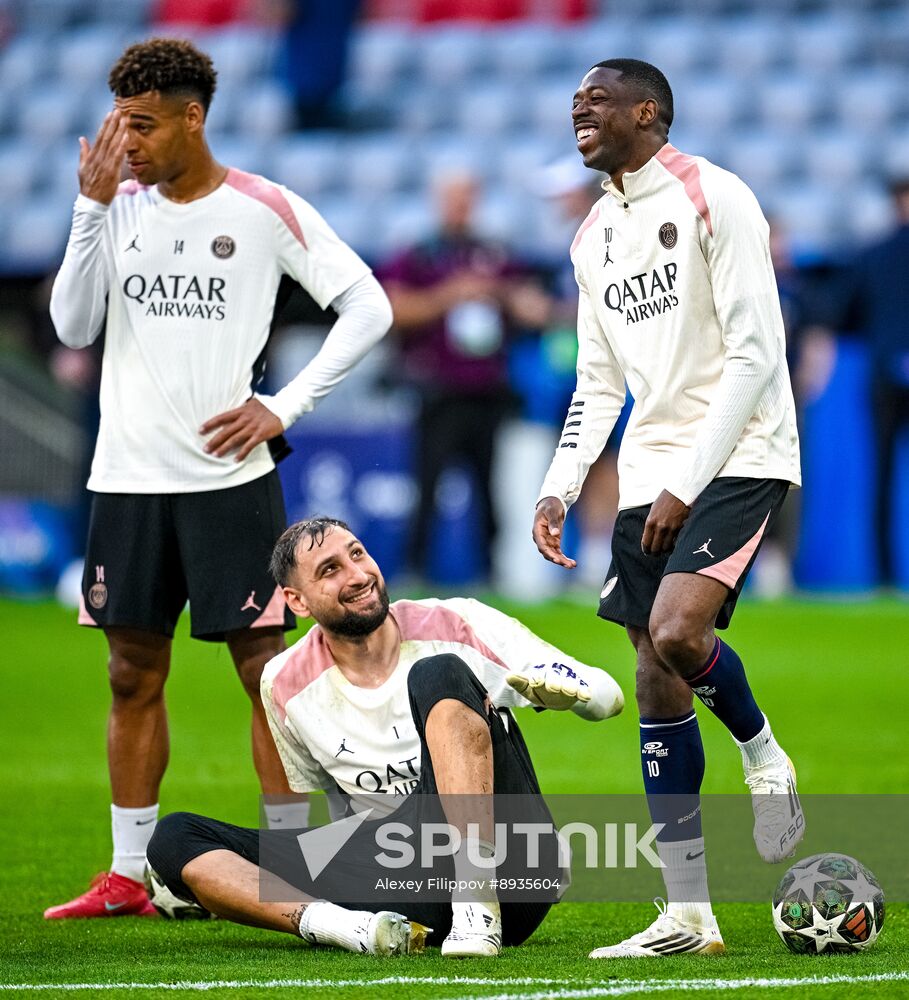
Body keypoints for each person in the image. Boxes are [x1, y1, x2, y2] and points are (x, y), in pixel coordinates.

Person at [44, 38, 393, 919]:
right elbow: (74, 327)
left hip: (230, 481)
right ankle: (129, 875)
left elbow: (368, 305)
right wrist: (89, 211)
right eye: (120, 125)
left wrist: (285, 406)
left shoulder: (263, 208)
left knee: (265, 674)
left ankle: (289, 864)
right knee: (130, 672)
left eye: (144, 125)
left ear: (193, 117)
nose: (127, 144)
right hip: (127, 478)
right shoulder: (114, 208)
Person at [532, 59, 804, 959]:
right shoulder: (591, 236)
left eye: (597, 98)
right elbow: (597, 381)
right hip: (649, 471)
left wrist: (689, 480)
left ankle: (763, 756)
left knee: (680, 633)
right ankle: (686, 914)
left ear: (647, 112)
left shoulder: (715, 196)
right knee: (654, 674)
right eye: (574, 100)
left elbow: (757, 354)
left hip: (740, 451)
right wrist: (561, 483)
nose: (579, 108)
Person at [146, 516, 624, 956]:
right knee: (173, 838)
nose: (357, 575)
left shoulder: (457, 622)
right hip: (399, 882)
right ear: (297, 601)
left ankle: (476, 907)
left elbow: (610, 695)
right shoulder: (283, 682)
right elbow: (339, 812)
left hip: (510, 873)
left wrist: (576, 696)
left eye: (357, 554)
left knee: (437, 673)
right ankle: (348, 929)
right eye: (330, 569)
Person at [379, 170, 549, 583]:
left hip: (487, 390)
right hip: (438, 391)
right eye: (452, 198)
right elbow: (391, 309)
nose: (459, 206)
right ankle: (417, 569)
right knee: (428, 485)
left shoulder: (493, 254)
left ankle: (489, 571)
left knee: (490, 488)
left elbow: (534, 307)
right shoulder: (420, 254)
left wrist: (499, 294)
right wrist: (448, 296)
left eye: (466, 198)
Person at [836, 177, 909, 588]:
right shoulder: (872, 253)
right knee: (882, 476)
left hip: (884, 372)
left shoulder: (873, 254)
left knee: (882, 476)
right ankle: (884, 575)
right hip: (884, 374)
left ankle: (884, 576)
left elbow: (846, 314)